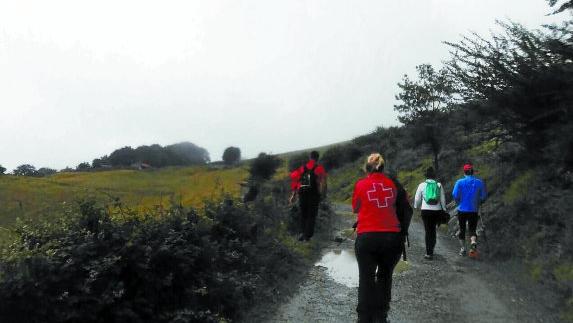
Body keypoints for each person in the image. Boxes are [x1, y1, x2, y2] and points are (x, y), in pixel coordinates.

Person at [352, 153, 408, 323]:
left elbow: (355, 208)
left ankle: (364, 317)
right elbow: (404, 207)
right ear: (383, 167)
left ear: (366, 168)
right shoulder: (393, 184)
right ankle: (380, 316)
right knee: (385, 276)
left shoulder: (361, 184)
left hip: (367, 237)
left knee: (366, 277)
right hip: (392, 237)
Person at [289, 151, 327, 241]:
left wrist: (293, 195)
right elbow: (323, 183)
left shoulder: (302, 168)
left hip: (302, 194)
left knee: (303, 215)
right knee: (312, 215)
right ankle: (308, 236)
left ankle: (302, 233)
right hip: (313, 195)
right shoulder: (319, 168)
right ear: (318, 158)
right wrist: (322, 194)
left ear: (310, 158)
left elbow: (295, 180)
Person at [452, 163, 487, 256]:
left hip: (462, 209)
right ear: (473, 172)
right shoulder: (479, 182)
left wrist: (459, 201)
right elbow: (483, 197)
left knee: (462, 229)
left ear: (464, 172)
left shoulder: (459, 182)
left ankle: (463, 249)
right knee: (472, 229)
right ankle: (472, 242)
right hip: (474, 210)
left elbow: (455, 195)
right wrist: (478, 202)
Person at [414, 167, 446, 260]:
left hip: (426, 210)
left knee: (428, 231)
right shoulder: (439, 185)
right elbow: (443, 199)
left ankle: (429, 253)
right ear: (434, 176)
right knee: (433, 230)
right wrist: (444, 209)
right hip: (437, 210)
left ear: (426, 176)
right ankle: (432, 248)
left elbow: (417, 198)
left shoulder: (422, 185)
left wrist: (416, 207)